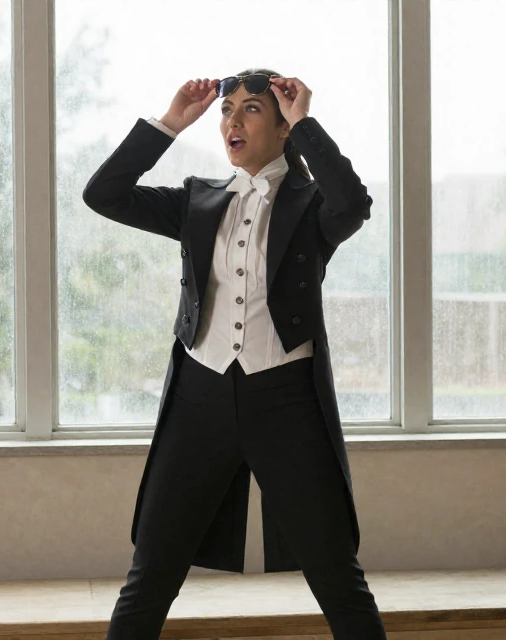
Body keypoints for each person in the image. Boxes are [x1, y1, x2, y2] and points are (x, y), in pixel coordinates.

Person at [82, 68, 387, 640]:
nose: (232, 122)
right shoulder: (197, 201)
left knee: (338, 578)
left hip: (288, 403)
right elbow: (103, 195)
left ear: (282, 127)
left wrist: (304, 119)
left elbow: (353, 202)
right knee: (150, 575)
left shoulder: (313, 206)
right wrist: (169, 123)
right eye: (227, 111)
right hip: (199, 399)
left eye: (250, 109)